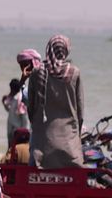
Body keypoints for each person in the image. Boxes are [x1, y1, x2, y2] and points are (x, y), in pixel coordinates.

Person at [26, 35, 84, 168]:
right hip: (69, 150)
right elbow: (80, 111)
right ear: (66, 50)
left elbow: (31, 108)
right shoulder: (74, 73)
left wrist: (37, 125)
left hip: (41, 148)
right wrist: (77, 134)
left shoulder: (37, 72)